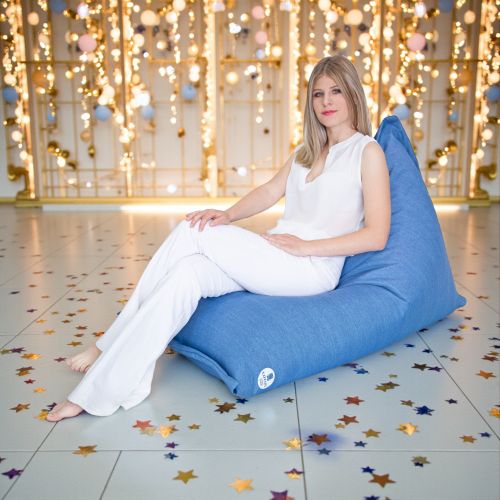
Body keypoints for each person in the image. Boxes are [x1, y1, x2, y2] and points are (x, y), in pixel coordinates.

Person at [46, 55, 390, 422]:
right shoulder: (305, 152)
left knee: (191, 231)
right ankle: (108, 389)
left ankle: (107, 344)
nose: (326, 101)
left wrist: (307, 247)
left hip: (311, 267)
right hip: (276, 252)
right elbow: (269, 191)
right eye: (318, 94)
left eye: (336, 91)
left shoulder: (367, 152)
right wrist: (227, 215)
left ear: (353, 94)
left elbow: (377, 235)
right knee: (187, 273)